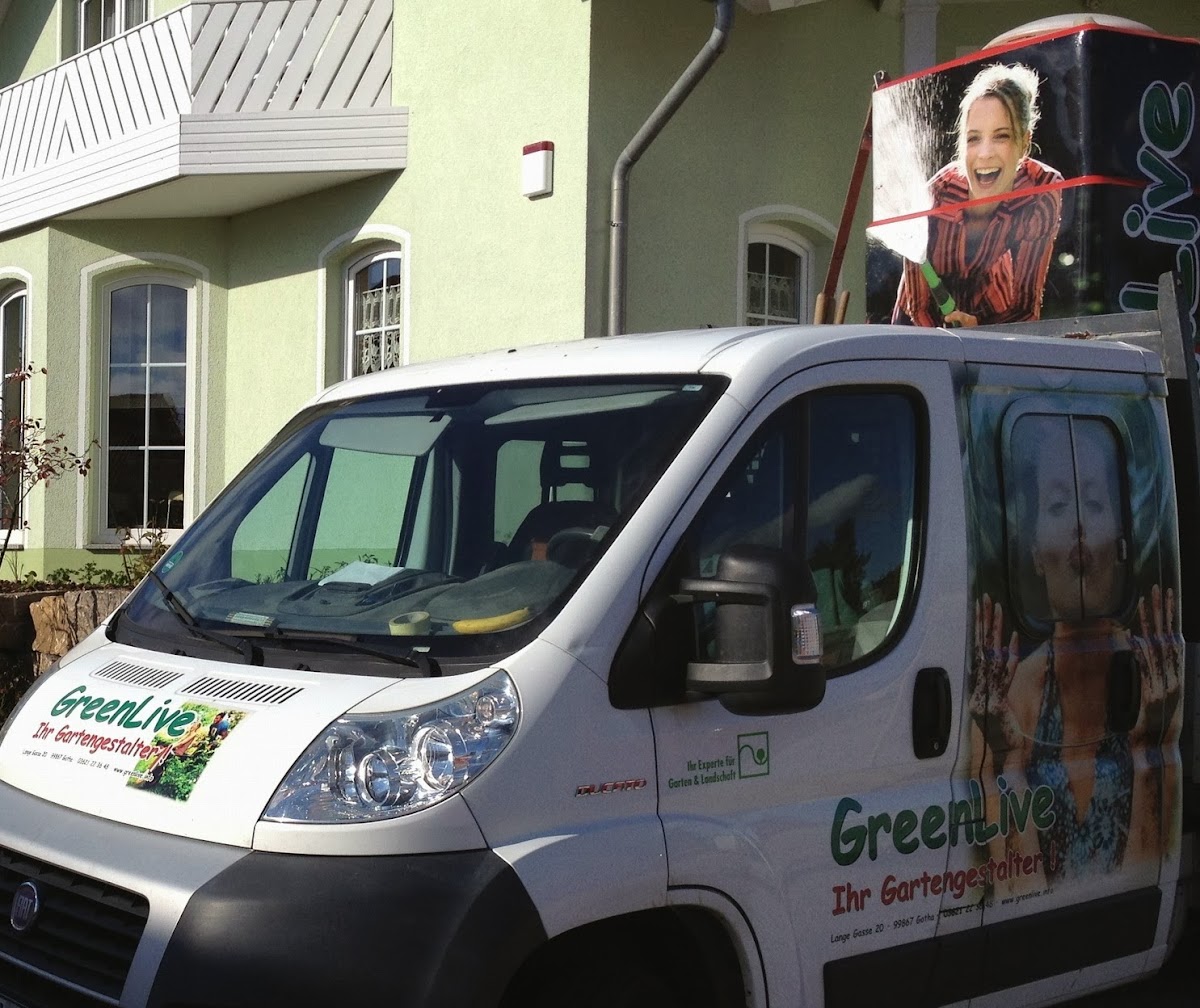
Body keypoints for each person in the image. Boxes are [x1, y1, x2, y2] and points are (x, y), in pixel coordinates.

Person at [969, 418, 1182, 893]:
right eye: (1059, 505)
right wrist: (1008, 765)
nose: (1080, 523)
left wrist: (1149, 746)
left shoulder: (1156, 683)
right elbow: (1018, 897)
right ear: (1034, 551)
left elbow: (1147, 883)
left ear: (1122, 541)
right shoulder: (1011, 702)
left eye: (1096, 503)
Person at [892, 63, 1063, 327]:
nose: (984, 154)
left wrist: (979, 331)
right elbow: (918, 307)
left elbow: (1026, 308)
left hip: (994, 329)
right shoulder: (934, 196)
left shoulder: (1041, 191)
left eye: (1001, 136)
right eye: (973, 138)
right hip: (918, 329)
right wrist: (948, 343)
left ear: (1024, 143)